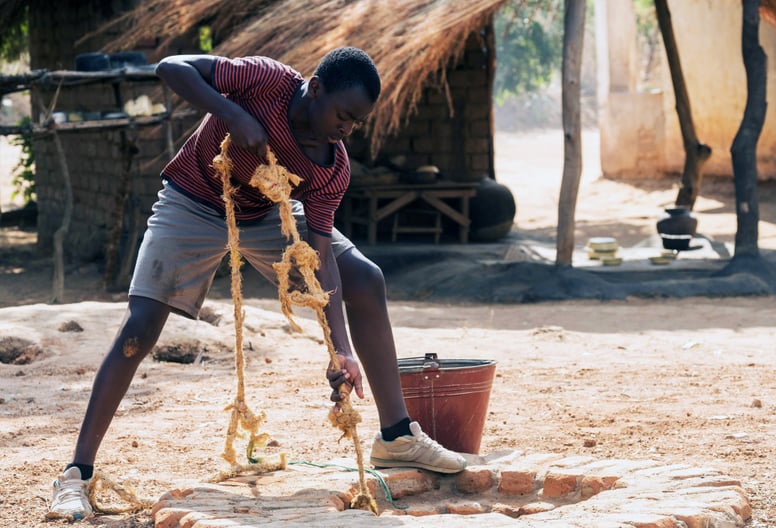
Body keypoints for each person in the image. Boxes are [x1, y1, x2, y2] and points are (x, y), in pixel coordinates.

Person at [47, 47, 466, 521]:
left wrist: (341, 349)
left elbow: (319, 253)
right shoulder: (266, 81)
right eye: (343, 115)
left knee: (365, 278)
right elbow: (171, 69)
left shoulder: (331, 165)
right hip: (194, 200)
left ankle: (396, 436)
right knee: (139, 330)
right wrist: (232, 114)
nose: (347, 128)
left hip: (269, 215)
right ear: (317, 87)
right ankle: (76, 474)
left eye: (356, 122)